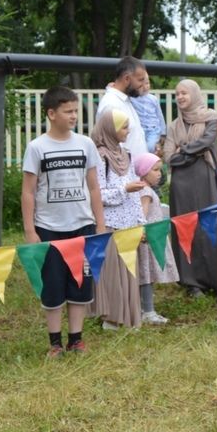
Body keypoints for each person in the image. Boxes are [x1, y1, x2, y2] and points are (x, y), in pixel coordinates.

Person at [21, 85, 106, 357]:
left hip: (82, 227)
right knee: (53, 287)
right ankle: (55, 342)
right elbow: (28, 191)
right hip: (49, 230)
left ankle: (76, 339)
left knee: (79, 286)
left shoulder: (86, 144)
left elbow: (94, 187)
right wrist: (30, 230)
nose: (73, 116)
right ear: (51, 113)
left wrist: (100, 226)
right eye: (67, 111)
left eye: (75, 111)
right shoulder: (36, 147)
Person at [164, 78, 217, 305]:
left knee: (212, 228)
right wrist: (186, 153)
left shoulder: (210, 116)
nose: (180, 97)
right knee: (186, 229)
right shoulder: (173, 126)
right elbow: (168, 156)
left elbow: (207, 142)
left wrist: (183, 150)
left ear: (195, 94)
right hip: (181, 184)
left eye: (184, 93)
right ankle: (192, 282)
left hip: (205, 178)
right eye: (177, 94)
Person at [92, 109, 143, 331]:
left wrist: (141, 223)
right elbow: (98, 194)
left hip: (129, 223)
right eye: (123, 126)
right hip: (110, 223)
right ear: (110, 129)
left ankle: (129, 316)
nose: (127, 130)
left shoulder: (126, 154)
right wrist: (125, 188)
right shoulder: (99, 157)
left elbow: (137, 193)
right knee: (112, 272)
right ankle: (111, 318)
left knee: (129, 271)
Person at [134, 153, 177, 325]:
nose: (159, 173)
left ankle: (146, 310)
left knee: (148, 275)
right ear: (144, 171)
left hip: (153, 238)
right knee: (146, 276)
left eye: (160, 170)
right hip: (148, 240)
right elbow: (142, 213)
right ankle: (148, 312)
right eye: (155, 170)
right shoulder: (145, 191)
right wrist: (143, 229)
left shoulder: (146, 189)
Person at [97, 56, 151, 159]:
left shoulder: (125, 100)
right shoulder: (112, 104)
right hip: (125, 173)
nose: (143, 85)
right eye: (140, 80)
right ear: (127, 78)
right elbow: (113, 147)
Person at [129, 91, 166, 156]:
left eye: (147, 83)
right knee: (139, 147)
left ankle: (148, 160)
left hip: (153, 129)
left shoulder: (153, 98)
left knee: (150, 146)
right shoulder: (132, 98)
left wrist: (163, 133)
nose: (145, 86)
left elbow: (159, 115)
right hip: (140, 129)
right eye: (143, 83)